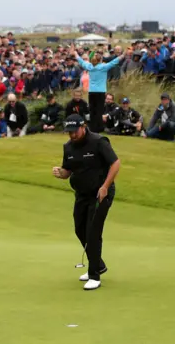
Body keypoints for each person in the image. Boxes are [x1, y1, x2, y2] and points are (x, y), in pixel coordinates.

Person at [52, 114, 121, 291]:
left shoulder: (98, 142)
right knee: (79, 229)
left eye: (75, 131)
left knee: (92, 231)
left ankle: (94, 275)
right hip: (82, 194)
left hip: (100, 194)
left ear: (83, 127)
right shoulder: (68, 147)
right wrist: (61, 173)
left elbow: (115, 164)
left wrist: (105, 186)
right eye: (69, 132)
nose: (72, 135)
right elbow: (68, 170)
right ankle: (98, 264)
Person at [72, 44, 125, 133]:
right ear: (100, 60)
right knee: (99, 111)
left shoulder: (90, 67)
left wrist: (75, 54)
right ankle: (99, 128)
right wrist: (123, 55)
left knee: (92, 110)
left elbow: (81, 61)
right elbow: (114, 62)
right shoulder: (103, 67)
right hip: (100, 92)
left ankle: (92, 128)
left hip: (92, 92)